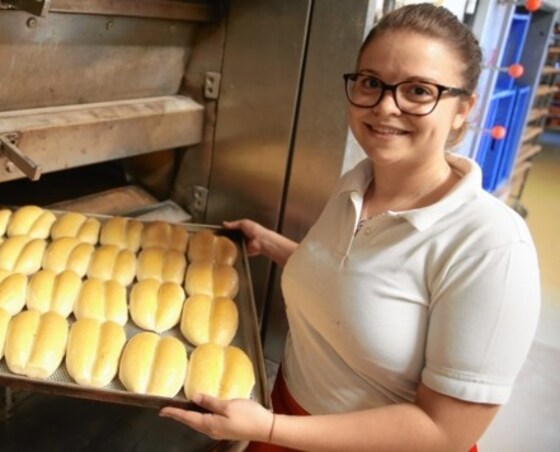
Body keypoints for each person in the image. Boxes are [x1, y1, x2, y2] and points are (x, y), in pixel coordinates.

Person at [160, 4, 541, 451]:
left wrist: (267, 429)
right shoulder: (359, 183)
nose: (384, 106)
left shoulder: (491, 246)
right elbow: (359, 280)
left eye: (419, 91)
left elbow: (445, 433)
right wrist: (279, 247)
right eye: (371, 82)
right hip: (283, 416)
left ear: (463, 109)